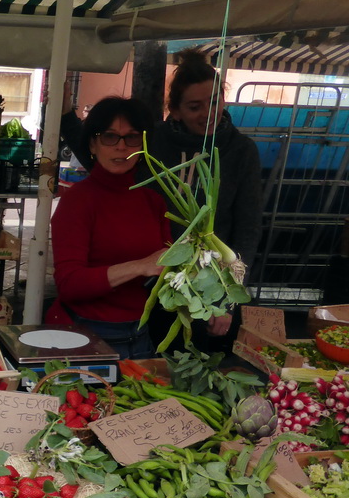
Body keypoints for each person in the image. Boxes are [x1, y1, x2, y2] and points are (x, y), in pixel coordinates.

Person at [58, 52, 263, 345]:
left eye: (215, 101)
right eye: (195, 106)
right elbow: (109, 163)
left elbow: (248, 229)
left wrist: (228, 295)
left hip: (214, 291)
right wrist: (66, 117)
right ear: (175, 110)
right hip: (157, 289)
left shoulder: (241, 151)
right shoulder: (154, 140)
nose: (208, 112)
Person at [45, 97, 171, 358]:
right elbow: (69, 283)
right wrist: (139, 266)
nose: (122, 147)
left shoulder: (153, 201)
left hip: (140, 336)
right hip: (82, 337)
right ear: (93, 143)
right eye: (110, 137)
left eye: (132, 137)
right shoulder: (77, 201)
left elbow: (165, 270)